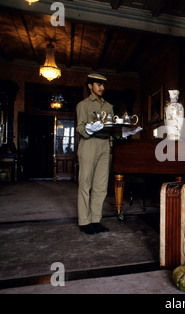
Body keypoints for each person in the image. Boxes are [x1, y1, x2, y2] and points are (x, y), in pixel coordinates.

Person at [76, 74, 141, 235]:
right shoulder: (82, 105)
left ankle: (96, 220)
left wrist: (123, 133)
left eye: (103, 85)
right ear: (90, 86)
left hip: (105, 145)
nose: (102, 88)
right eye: (98, 85)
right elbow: (80, 128)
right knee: (85, 184)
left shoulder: (109, 106)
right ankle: (84, 222)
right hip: (89, 144)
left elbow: (112, 130)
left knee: (101, 186)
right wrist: (88, 129)